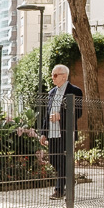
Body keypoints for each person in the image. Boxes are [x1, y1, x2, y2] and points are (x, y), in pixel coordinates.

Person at [45, 64, 83, 199]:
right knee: (53, 159)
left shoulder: (75, 91)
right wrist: (43, 133)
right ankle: (69, 180)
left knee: (62, 161)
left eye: (55, 75)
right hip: (52, 133)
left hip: (66, 133)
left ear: (64, 76)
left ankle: (59, 190)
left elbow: (78, 112)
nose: (52, 78)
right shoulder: (51, 92)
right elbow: (46, 114)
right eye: (52, 75)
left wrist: (61, 116)